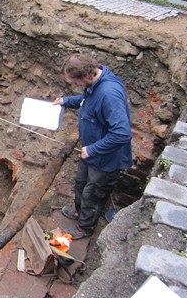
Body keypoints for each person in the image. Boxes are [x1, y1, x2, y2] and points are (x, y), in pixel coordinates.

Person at [53, 53, 132, 240]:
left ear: (86, 76)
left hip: (105, 158)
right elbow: (85, 100)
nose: (75, 85)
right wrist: (66, 102)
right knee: (81, 183)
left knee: (93, 194)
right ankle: (79, 212)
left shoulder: (108, 94)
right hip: (90, 153)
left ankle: (85, 228)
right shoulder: (95, 83)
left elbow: (122, 133)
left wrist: (93, 149)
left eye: (75, 82)